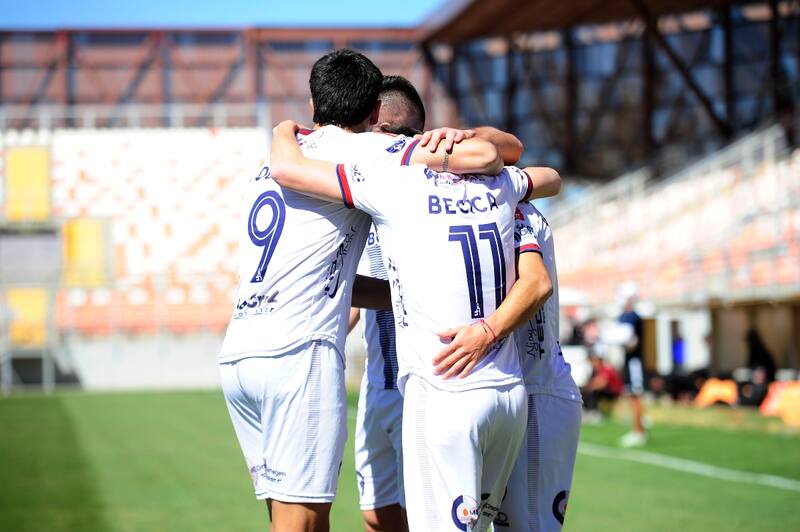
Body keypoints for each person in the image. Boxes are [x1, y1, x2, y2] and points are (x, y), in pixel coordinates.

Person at [217, 49, 507, 531]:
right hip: (298, 353)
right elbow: (486, 157)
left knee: (284, 515)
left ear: (313, 103)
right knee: (304, 524)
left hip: (240, 352)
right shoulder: (370, 150)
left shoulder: (272, 162)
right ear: (377, 113)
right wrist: (454, 138)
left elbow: (326, 274)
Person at [269, 118, 554, 530]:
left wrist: (283, 131)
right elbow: (549, 177)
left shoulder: (395, 186)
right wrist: (471, 138)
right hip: (507, 393)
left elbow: (288, 169)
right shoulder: (500, 185)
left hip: (443, 388)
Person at [348, 74, 561, 532]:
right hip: (398, 378)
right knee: (379, 514)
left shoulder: (402, 191)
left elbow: (532, 171)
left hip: (442, 376)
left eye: (378, 130)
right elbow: (545, 176)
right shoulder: (385, 193)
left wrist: (285, 138)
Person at [492, 202, 582, 531]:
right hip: (507, 392)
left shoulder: (511, 206)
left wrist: (483, 334)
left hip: (537, 393)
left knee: (528, 527)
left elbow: (537, 285)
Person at [617, 283, 647, 448]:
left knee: (636, 395)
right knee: (630, 394)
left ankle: (639, 430)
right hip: (628, 361)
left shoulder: (635, 317)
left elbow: (631, 341)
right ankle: (635, 427)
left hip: (634, 361)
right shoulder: (623, 316)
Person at [581, 352, 622, 416]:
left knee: (593, 391)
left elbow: (602, 384)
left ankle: (593, 412)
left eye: (594, 361)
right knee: (584, 391)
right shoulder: (595, 370)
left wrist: (590, 387)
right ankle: (586, 410)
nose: (592, 363)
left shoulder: (606, 369)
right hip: (605, 391)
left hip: (613, 392)